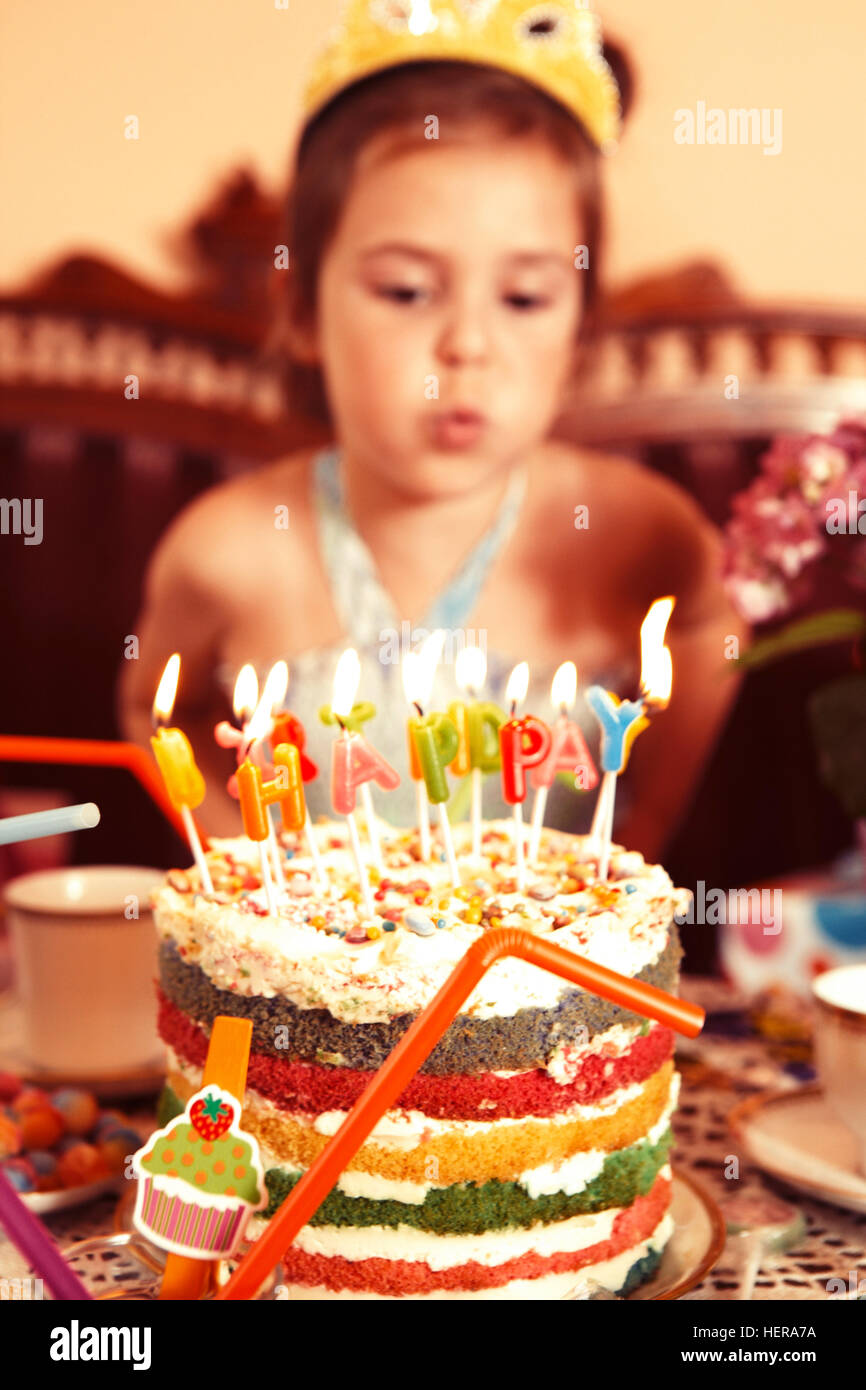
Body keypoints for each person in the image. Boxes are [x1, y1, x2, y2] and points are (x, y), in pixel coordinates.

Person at [120, 1, 747, 857]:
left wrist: (646, 829)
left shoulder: (636, 531)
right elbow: (154, 704)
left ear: (581, 319)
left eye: (525, 298)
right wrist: (238, 857)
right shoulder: (228, 548)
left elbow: (710, 624)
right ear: (301, 306)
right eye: (408, 291)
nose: (468, 345)